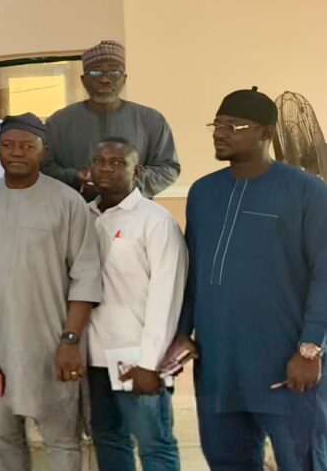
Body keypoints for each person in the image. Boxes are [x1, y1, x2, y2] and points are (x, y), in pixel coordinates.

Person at [173, 88, 327, 470]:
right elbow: (193, 271)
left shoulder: (307, 191)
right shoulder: (203, 192)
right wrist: (182, 332)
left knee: (302, 460)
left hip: (285, 363)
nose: (219, 133)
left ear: (266, 133)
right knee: (226, 460)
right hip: (220, 364)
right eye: (216, 125)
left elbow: (325, 273)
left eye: (233, 126)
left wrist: (310, 348)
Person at [0, 114, 102, 471]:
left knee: (63, 441)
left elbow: (86, 276)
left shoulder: (67, 201)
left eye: (26, 146)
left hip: (51, 344)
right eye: (7, 145)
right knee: (3, 438)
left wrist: (70, 340)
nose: (16, 152)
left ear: (44, 151)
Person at [83, 137, 187, 470]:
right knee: (108, 440)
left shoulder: (155, 220)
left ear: (137, 171)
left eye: (117, 163)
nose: (106, 169)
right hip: (93, 358)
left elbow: (167, 296)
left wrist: (150, 362)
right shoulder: (83, 215)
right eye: (100, 161)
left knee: (155, 444)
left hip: (137, 355)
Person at [42, 40, 180, 198]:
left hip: (134, 209)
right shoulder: (58, 122)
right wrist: (74, 177)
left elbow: (168, 168)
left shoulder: (151, 120)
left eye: (114, 72)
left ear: (124, 79)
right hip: (76, 207)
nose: (105, 79)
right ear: (83, 80)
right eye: (95, 72)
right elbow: (45, 167)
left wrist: (126, 183)